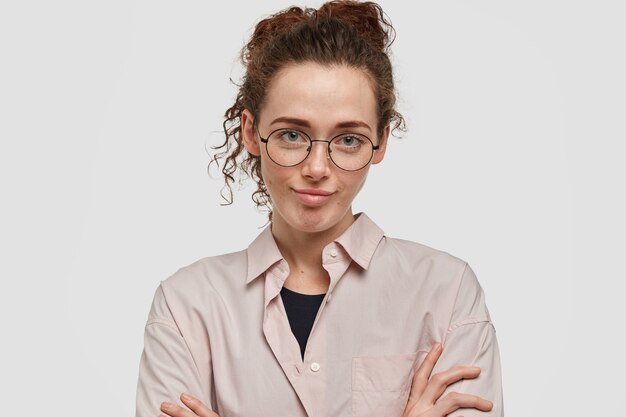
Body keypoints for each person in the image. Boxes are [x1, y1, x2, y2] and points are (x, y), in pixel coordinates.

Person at [135, 1, 504, 416]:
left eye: (348, 140)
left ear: (380, 142)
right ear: (251, 133)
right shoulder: (187, 307)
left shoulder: (447, 292)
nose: (316, 168)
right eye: (292, 134)